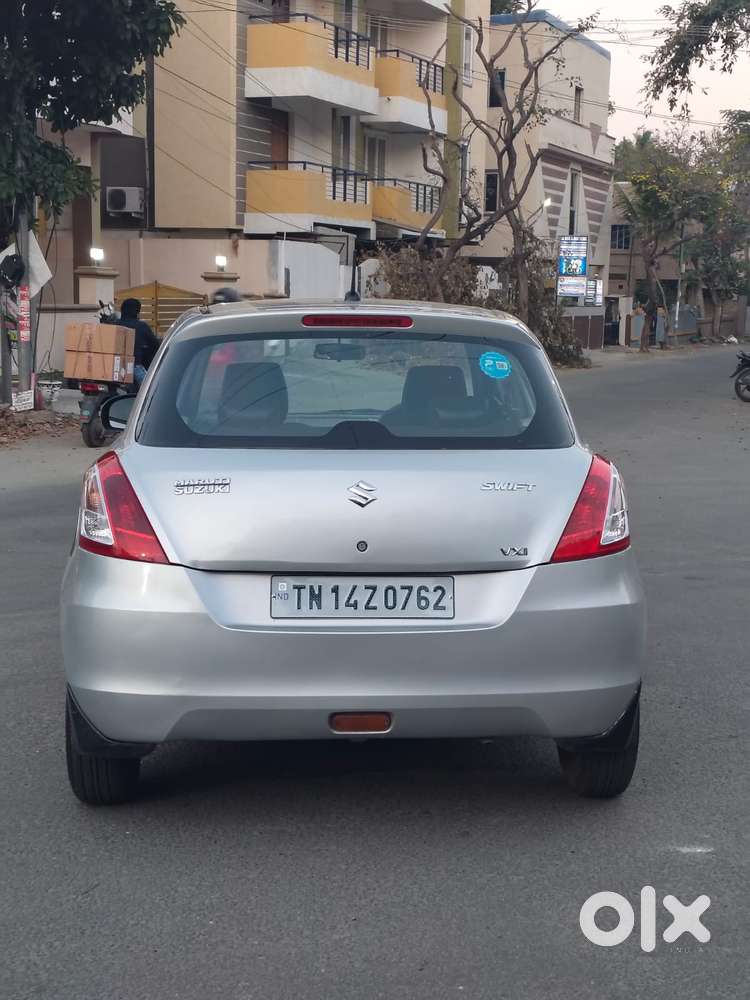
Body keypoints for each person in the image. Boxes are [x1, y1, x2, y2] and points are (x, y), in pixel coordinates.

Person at [119, 298, 160, 387]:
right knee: (149, 388)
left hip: (114, 366)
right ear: (137, 311)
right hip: (133, 366)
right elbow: (156, 345)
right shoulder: (141, 326)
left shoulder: (114, 324)